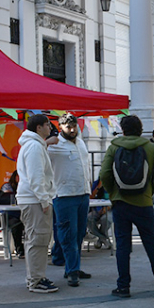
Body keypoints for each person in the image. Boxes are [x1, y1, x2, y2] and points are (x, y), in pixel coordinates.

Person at [100, 115, 154, 298]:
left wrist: (113, 192)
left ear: (123, 129)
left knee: (122, 246)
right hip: (143, 204)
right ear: (140, 129)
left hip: (120, 203)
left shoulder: (114, 147)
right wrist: (150, 189)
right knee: (151, 244)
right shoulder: (150, 147)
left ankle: (123, 286)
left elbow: (104, 174)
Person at [47, 113, 92, 287]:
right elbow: (34, 155)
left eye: (74, 126)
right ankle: (72, 269)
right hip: (64, 195)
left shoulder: (80, 142)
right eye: (68, 127)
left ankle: (73, 267)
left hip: (83, 193)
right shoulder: (54, 145)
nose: (72, 130)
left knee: (80, 233)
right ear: (60, 128)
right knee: (68, 235)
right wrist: (45, 143)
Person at [16, 114, 59, 294]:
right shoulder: (34, 146)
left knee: (38, 240)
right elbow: (36, 176)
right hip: (35, 201)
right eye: (47, 125)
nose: (50, 128)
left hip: (34, 199)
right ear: (39, 128)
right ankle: (36, 280)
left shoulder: (35, 144)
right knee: (38, 240)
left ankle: (36, 276)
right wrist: (44, 200)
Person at [0, 170, 24, 259]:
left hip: (21, 213)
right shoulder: (8, 186)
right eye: (18, 176)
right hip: (8, 215)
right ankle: (20, 250)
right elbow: (8, 196)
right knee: (16, 225)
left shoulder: (25, 187)